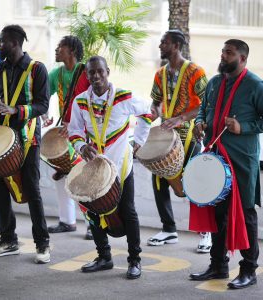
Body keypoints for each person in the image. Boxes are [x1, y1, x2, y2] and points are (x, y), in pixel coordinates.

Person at [190, 39, 263, 289]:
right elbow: (203, 110)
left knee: (245, 215)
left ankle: (249, 269)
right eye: (222, 51)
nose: (223, 56)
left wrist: (244, 127)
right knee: (217, 213)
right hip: (214, 159)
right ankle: (218, 266)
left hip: (241, 161)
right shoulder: (215, 83)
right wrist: (199, 123)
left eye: (229, 53)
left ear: (242, 59)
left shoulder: (256, 86)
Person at [68, 55, 151, 279]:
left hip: (122, 166)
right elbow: (74, 131)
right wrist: (81, 146)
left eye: (100, 72)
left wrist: (139, 142)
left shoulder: (124, 97)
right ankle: (104, 257)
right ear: (86, 75)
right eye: (91, 73)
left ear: (108, 72)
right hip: (96, 168)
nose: (96, 76)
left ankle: (135, 260)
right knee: (93, 213)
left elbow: (147, 113)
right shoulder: (80, 101)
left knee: (128, 212)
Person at [0, 25, 51, 264]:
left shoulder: (37, 69)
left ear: (15, 42)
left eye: (2, 41)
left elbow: (43, 106)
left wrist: (16, 110)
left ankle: (42, 244)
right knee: (0, 187)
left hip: (28, 135)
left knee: (32, 188)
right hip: (3, 137)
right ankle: (8, 240)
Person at [147, 29, 212, 252]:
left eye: (164, 43)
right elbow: (155, 101)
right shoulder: (160, 74)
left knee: (195, 182)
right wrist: (154, 112)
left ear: (176, 46)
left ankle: (206, 233)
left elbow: (207, 104)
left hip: (190, 135)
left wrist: (181, 118)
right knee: (158, 181)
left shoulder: (195, 72)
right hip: (167, 136)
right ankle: (169, 229)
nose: (160, 46)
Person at [42, 36, 92, 239]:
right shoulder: (56, 73)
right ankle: (67, 221)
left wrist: (75, 125)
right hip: (66, 131)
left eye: (60, 47)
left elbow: (94, 101)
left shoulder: (86, 72)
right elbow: (43, 96)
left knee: (85, 178)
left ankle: (93, 224)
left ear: (71, 50)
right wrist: (44, 113)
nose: (56, 49)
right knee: (62, 174)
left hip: (86, 132)